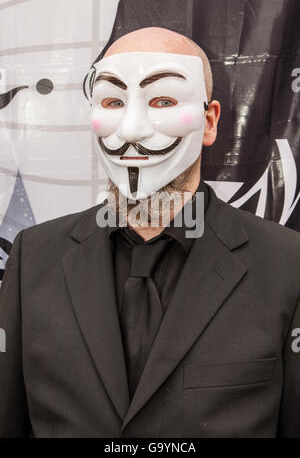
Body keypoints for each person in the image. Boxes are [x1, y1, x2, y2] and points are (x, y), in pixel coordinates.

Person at [0, 27, 300, 438]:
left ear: (209, 122)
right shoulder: (35, 256)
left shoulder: (287, 263)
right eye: (112, 102)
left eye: (162, 101)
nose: (132, 130)